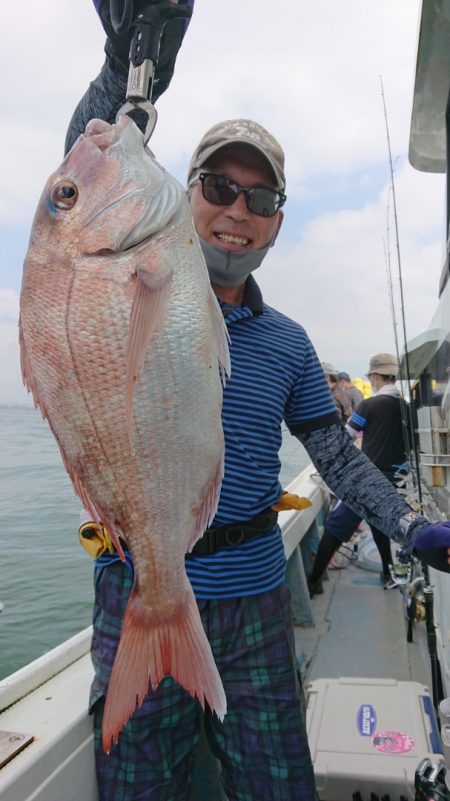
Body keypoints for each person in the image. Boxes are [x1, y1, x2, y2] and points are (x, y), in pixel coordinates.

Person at [68, 9, 450, 801]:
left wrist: (408, 524)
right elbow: (80, 181)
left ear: (278, 221)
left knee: (276, 783)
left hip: (253, 600)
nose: (237, 212)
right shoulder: (131, 286)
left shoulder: (286, 342)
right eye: (218, 187)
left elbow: (338, 457)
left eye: (261, 197)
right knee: (140, 785)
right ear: (183, 192)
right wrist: (122, 65)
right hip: (136, 584)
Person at [308, 353, 411, 596]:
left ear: (375, 377)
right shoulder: (407, 407)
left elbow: (346, 437)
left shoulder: (369, 405)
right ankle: (387, 572)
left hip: (368, 481)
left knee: (334, 527)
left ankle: (313, 582)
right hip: (398, 480)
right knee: (378, 524)